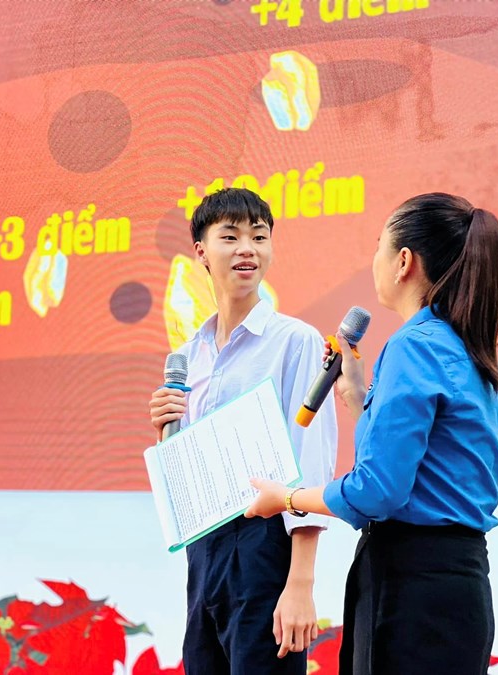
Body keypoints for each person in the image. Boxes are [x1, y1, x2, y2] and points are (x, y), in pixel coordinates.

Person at [246, 192, 498, 675]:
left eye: (378, 246)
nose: (374, 260)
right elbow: (423, 465)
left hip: (410, 589)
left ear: (404, 261)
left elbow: (377, 491)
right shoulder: (470, 350)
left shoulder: (414, 346)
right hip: (461, 583)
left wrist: (286, 498)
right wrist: (356, 394)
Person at [150, 188, 338, 674]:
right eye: (230, 237)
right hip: (204, 551)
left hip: (265, 545)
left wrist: (300, 584)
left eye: (259, 236)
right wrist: (164, 437)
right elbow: (188, 473)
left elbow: (311, 460)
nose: (247, 249)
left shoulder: (295, 342)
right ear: (201, 252)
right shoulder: (189, 356)